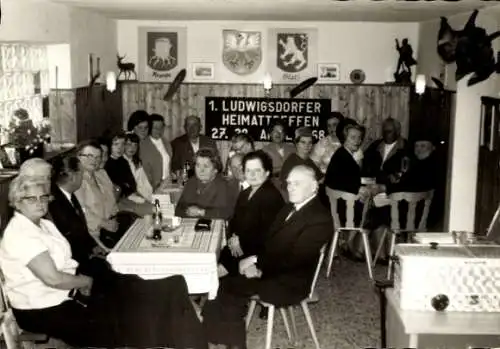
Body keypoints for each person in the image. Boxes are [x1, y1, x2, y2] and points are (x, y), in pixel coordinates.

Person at [0, 172, 208, 349]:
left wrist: (87, 279)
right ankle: (183, 330)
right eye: (31, 199)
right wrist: (86, 282)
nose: (39, 203)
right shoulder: (20, 234)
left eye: (43, 197)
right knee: (127, 319)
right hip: (45, 309)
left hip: (68, 293)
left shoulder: (43, 224)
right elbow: (53, 279)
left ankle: (179, 311)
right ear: (16, 202)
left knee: (147, 290)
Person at [203, 165, 332, 348]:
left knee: (230, 287)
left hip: (291, 282)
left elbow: (296, 260)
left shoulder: (320, 218)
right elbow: (269, 240)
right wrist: (252, 257)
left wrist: (258, 265)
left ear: (313, 187)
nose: (291, 188)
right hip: (274, 270)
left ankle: (231, 344)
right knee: (222, 284)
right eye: (288, 183)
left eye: (297, 184)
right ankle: (216, 340)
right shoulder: (289, 208)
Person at [218, 151, 285, 277]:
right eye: (248, 170)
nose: (252, 175)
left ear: (267, 172)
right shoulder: (246, 193)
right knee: (215, 260)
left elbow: (268, 236)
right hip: (241, 245)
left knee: (218, 270)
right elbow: (235, 220)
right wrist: (233, 237)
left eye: (257, 170)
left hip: (260, 252)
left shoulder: (270, 196)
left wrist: (240, 242)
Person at [48, 156, 108, 268]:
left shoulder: (68, 194)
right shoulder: (55, 204)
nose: (83, 176)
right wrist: (91, 254)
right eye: (81, 173)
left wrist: (93, 246)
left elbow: (80, 229)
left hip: (86, 254)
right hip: (74, 263)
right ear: (72, 177)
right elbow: (69, 239)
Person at [175, 148, 234, 219]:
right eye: (198, 165)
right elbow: (178, 210)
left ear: (215, 169)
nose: (201, 170)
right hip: (191, 225)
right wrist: (188, 211)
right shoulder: (191, 182)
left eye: (206, 166)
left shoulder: (223, 185)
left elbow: (226, 213)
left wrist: (201, 212)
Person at [363, 118, 411, 188]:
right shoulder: (375, 145)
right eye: (384, 131)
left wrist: (396, 176)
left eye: (389, 131)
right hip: (372, 181)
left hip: (392, 186)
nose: (385, 134)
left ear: (397, 132)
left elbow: (406, 171)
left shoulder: (405, 147)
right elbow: (364, 163)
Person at [280, 127, 322, 193]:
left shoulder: (308, 160)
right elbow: (285, 188)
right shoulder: (291, 162)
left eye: (310, 142)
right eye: (303, 142)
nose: (307, 145)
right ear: (296, 144)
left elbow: (321, 179)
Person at [139, 113, 173, 190]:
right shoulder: (143, 145)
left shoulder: (166, 142)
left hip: (167, 184)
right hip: (153, 187)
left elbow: (168, 165)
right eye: (155, 128)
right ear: (150, 128)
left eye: (161, 127)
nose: (159, 130)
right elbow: (145, 170)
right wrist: (154, 186)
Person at [104, 132, 137, 198]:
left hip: (127, 196)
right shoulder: (105, 163)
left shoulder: (124, 162)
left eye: (123, 144)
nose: (120, 148)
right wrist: (124, 186)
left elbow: (132, 184)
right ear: (109, 145)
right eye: (116, 144)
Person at [123, 132, 154, 202]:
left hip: (143, 196)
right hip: (130, 199)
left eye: (135, 145)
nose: (132, 148)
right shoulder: (121, 164)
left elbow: (144, 183)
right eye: (129, 144)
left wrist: (151, 197)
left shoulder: (137, 162)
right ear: (123, 145)